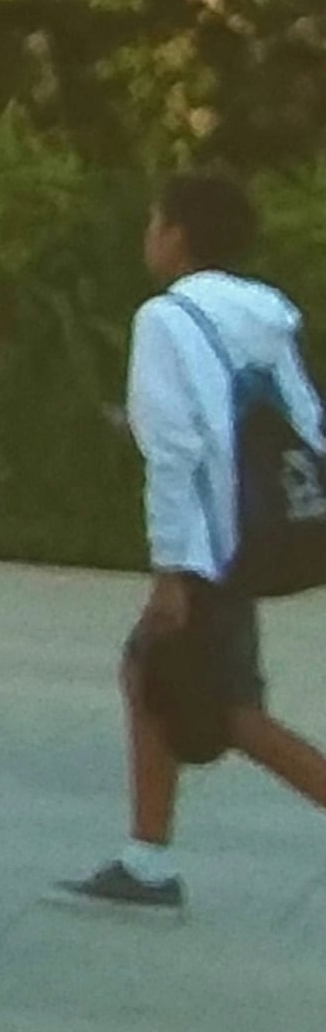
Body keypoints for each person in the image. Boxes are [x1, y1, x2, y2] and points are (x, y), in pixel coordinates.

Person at [53, 168, 326, 910]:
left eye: (154, 221)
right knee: (153, 676)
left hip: (207, 545)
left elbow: (178, 453)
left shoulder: (166, 319)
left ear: (175, 236)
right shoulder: (268, 312)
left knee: (226, 709)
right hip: (255, 534)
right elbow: (302, 423)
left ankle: (147, 861)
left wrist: (172, 568)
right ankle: (145, 856)